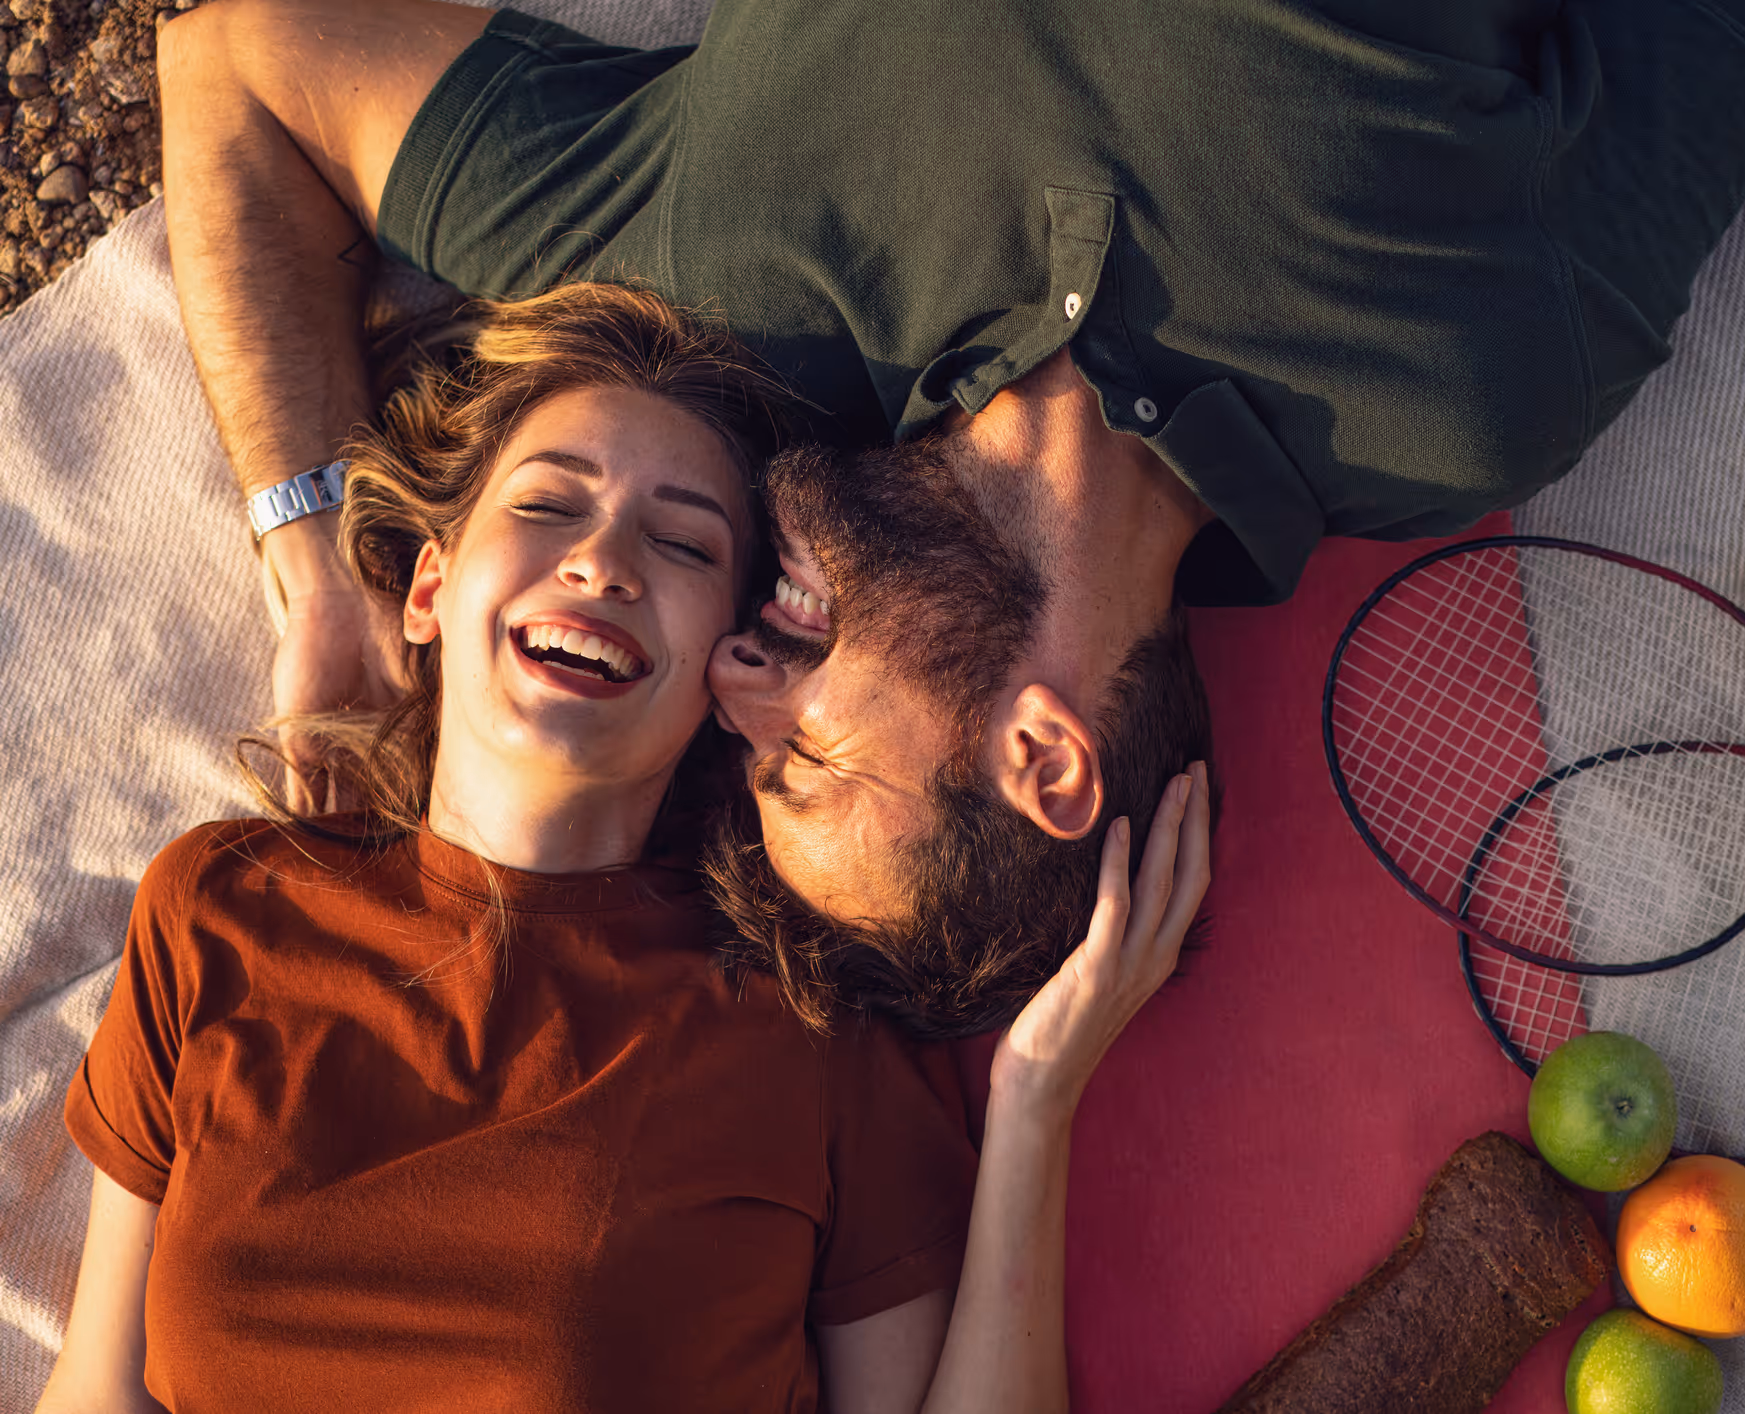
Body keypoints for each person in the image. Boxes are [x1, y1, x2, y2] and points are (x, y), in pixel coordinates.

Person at [158, 0, 1745, 1023]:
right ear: (1044, 757)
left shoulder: (709, 307)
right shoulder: (1469, 385)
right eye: (801, 755)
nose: (736, 673)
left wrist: (320, 588)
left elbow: (239, 65)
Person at [33, 284, 1213, 1413]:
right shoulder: (223, 907)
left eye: (688, 546)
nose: (602, 562)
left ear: (729, 659)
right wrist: (303, 563)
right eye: (547, 506)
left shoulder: (800, 1019)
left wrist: (1032, 1100)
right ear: (429, 586)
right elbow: (94, 1392)